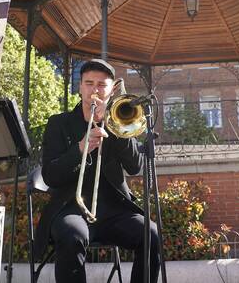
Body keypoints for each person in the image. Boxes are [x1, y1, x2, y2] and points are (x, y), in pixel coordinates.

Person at [34, 58, 160, 283]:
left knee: (150, 234)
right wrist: (80, 149)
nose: (95, 89)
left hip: (114, 210)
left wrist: (114, 128)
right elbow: (50, 176)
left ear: (112, 90)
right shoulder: (58, 123)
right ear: (80, 87)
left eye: (102, 85)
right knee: (72, 235)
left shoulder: (120, 120)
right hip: (71, 208)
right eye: (89, 83)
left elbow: (135, 166)